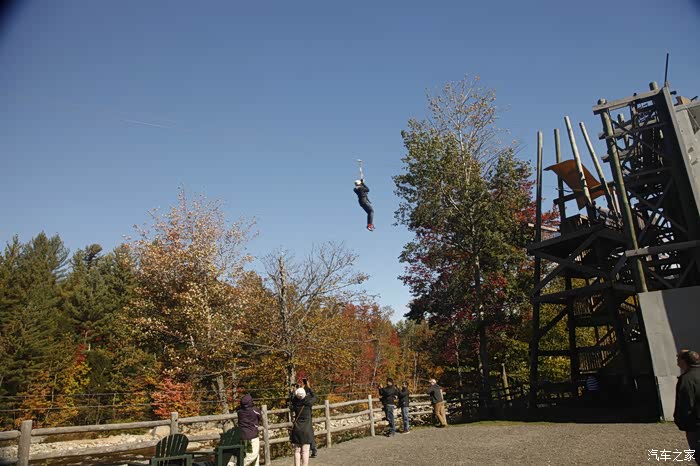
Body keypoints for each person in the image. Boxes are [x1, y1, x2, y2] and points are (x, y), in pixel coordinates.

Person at [674, 349, 700, 463]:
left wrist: (681, 422)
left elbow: (686, 404)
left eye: (678, 357)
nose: (677, 360)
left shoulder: (687, 379)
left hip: (696, 425)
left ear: (683, 361)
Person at [290, 386, 317, 466]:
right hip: (306, 429)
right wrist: (309, 388)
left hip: (297, 429)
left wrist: (293, 392)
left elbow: (293, 398)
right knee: (305, 451)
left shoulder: (295, 404)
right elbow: (315, 397)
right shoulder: (308, 403)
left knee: (297, 451)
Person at [236, 394, 262, 466]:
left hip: (243, 436)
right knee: (252, 456)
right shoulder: (254, 410)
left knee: (252, 456)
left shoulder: (239, 411)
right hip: (252, 436)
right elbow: (260, 416)